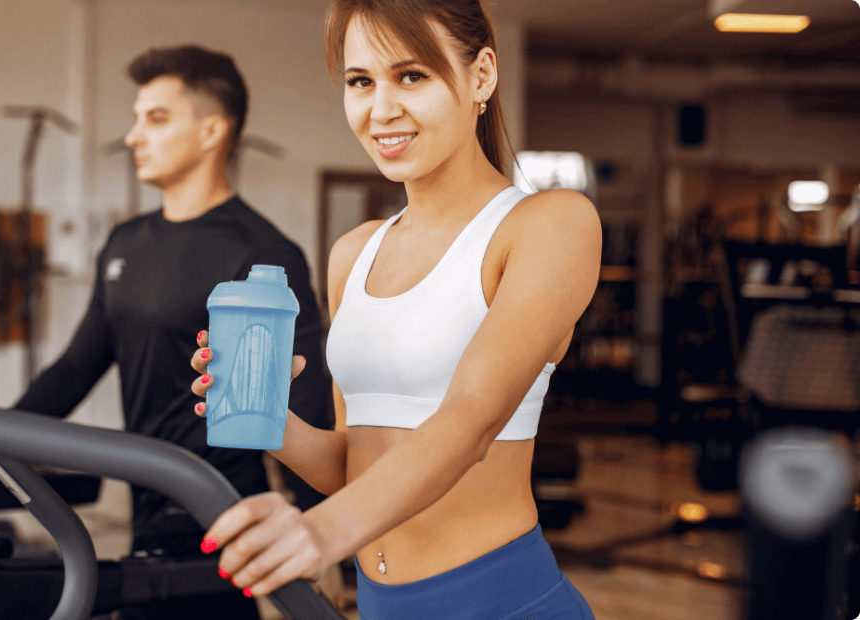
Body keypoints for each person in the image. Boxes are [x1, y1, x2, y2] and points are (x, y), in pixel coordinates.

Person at [189, 1, 601, 618]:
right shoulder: (353, 253)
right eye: (361, 82)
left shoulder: (548, 225)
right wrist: (270, 418)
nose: (381, 110)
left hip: (502, 603)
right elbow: (354, 465)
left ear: (481, 76)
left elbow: (473, 418)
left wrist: (321, 534)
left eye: (412, 76)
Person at [0, 45, 331, 620]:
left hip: (219, 510)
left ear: (213, 129)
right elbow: (74, 369)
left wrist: (330, 546)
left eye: (157, 118)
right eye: (138, 117)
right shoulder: (125, 243)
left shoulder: (261, 252)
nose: (135, 135)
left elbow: (307, 403)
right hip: (144, 501)